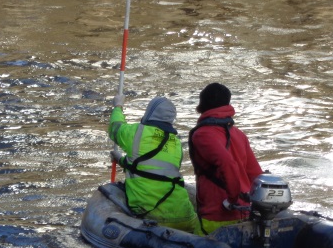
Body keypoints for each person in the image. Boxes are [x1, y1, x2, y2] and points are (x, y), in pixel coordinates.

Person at [108, 95, 199, 234]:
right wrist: (121, 160)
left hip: (150, 215)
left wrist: (117, 107)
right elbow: (153, 170)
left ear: (149, 112)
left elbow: (115, 128)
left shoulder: (136, 132)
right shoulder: (176, 143)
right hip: (185, 216)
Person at [188, 83, 264, 235]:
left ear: (202, 103)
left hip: (217, 216)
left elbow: (228, 164)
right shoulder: (239, 134)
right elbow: (256, 174)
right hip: (244, 214)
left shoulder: (202, 134)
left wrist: (232, 200)